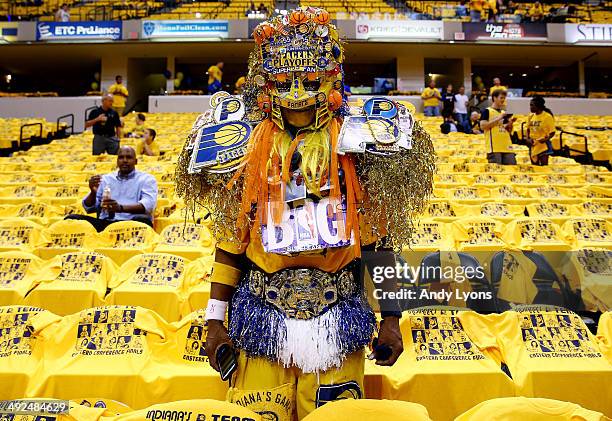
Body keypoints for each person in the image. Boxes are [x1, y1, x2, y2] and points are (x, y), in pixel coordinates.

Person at [176, 8, 434, 420]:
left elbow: (378, 247)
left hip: (338, 318)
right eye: (285, 82)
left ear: (331, 80)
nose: (297, 93)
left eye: (310, 81)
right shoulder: (243, 148)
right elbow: (229, 246)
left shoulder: (358, 146)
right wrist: (214, 321)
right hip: (260, 319)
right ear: (265, 85)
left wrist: (391, 316)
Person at [65, 146, 157, 232]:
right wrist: (93, 193)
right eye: (121, 157)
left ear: (136, 161)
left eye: (129, 157)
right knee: (71, 219)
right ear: (117, 161)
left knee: (143, 222)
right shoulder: (106, 179)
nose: (124, 160)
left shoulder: (147, 179)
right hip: (107, 223)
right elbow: (89, 208)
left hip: (131, 224)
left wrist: (120, 208)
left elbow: (148, 206)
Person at [479, 89, 517, 164]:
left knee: (511, 169)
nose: (503, 100)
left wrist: (510, 123)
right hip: (494, 147)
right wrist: (499, 117)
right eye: (501, 98)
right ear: (494, 98)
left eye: (504, 98)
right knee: (497, 170)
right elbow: (483, 126)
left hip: (507, 145)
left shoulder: (503, 112)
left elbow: (508, 130)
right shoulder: (487, 111)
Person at [526, 96, 555, 166]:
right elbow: (528, 129)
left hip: (543, 144)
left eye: (532, 105)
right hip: (533, 144)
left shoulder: (547, 117)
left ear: (538, 106)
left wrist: (545, 139)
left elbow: (552, 132)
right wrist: (528, 139)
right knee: (534, 166)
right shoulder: (530, 116)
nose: (530, 107)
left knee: (544, 167)